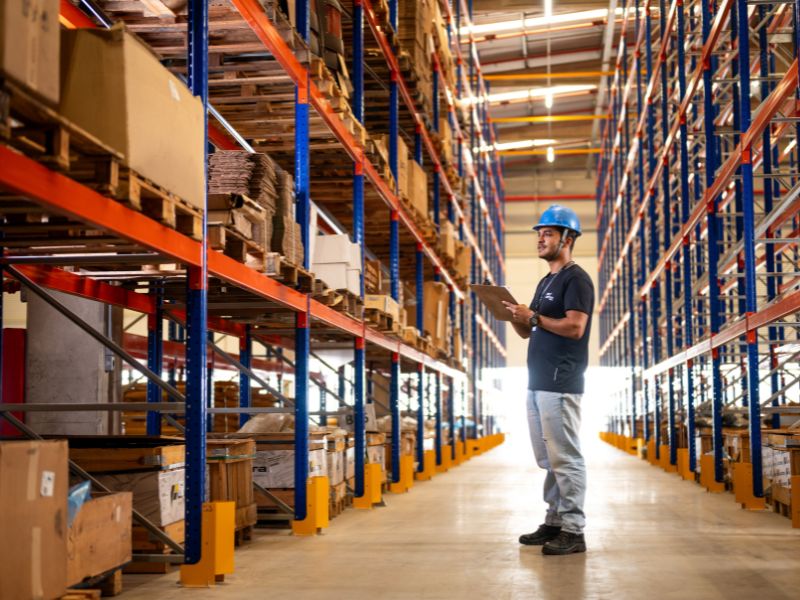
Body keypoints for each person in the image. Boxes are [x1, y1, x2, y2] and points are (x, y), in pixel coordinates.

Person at [502, 204, 594, 556]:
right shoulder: (546, 281)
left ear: (568, 238)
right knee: (549, 459)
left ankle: (574, 530)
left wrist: (535, 317)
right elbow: (529, 331)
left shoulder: (576, 279)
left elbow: (575, 327)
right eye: (540, 234)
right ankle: (555, 521)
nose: (541, 239)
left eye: (549, 233)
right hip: (537, 381)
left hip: (560, 382)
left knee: (566, 457)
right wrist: (515, 315)